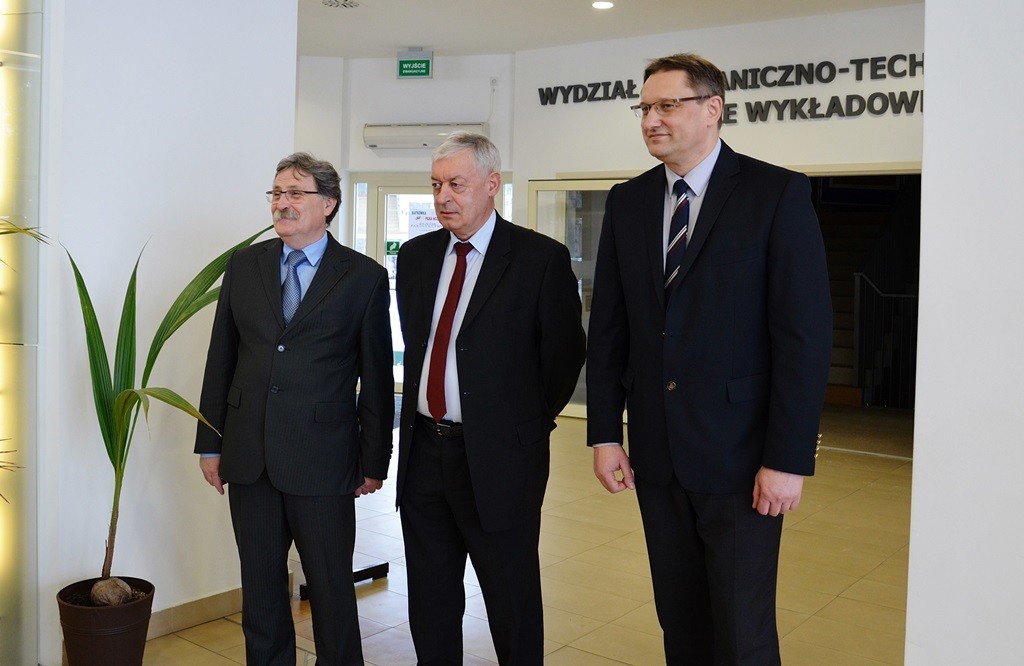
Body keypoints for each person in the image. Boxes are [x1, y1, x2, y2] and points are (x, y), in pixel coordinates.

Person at [586, 53, 833, 664]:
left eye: (667, 105)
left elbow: (803, 338)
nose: (651, 120)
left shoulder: (776, 193)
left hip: (742, 460)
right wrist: (605, 433)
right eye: (645, 107)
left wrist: (787, 459)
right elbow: (610, 328)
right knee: (681, 622)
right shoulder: (628, 202)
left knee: (743, 630)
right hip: (657, 457)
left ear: (712, 109)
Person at [194, 152, 393, 665]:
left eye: (296, 193)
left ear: (328, 204)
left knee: (330, 590)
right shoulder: (245, 265)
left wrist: (375, 460)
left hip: (323, 458)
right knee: (260, 592)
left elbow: (376, 377)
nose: (282, 203)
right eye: (277, 193)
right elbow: (222, 357)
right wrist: (210, 443)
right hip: (250, 456)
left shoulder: (363, 277)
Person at [394, 132, 586, 664]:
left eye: (456, 184)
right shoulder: (416, 257)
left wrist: (520, 424)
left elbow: (564, 358)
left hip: (500, 459)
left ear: (492, 184)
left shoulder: (538, 259)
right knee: (430, 598)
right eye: (436, 185)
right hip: (423, 454)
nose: (443, 197)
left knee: (510, 599)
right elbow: (418, 344)